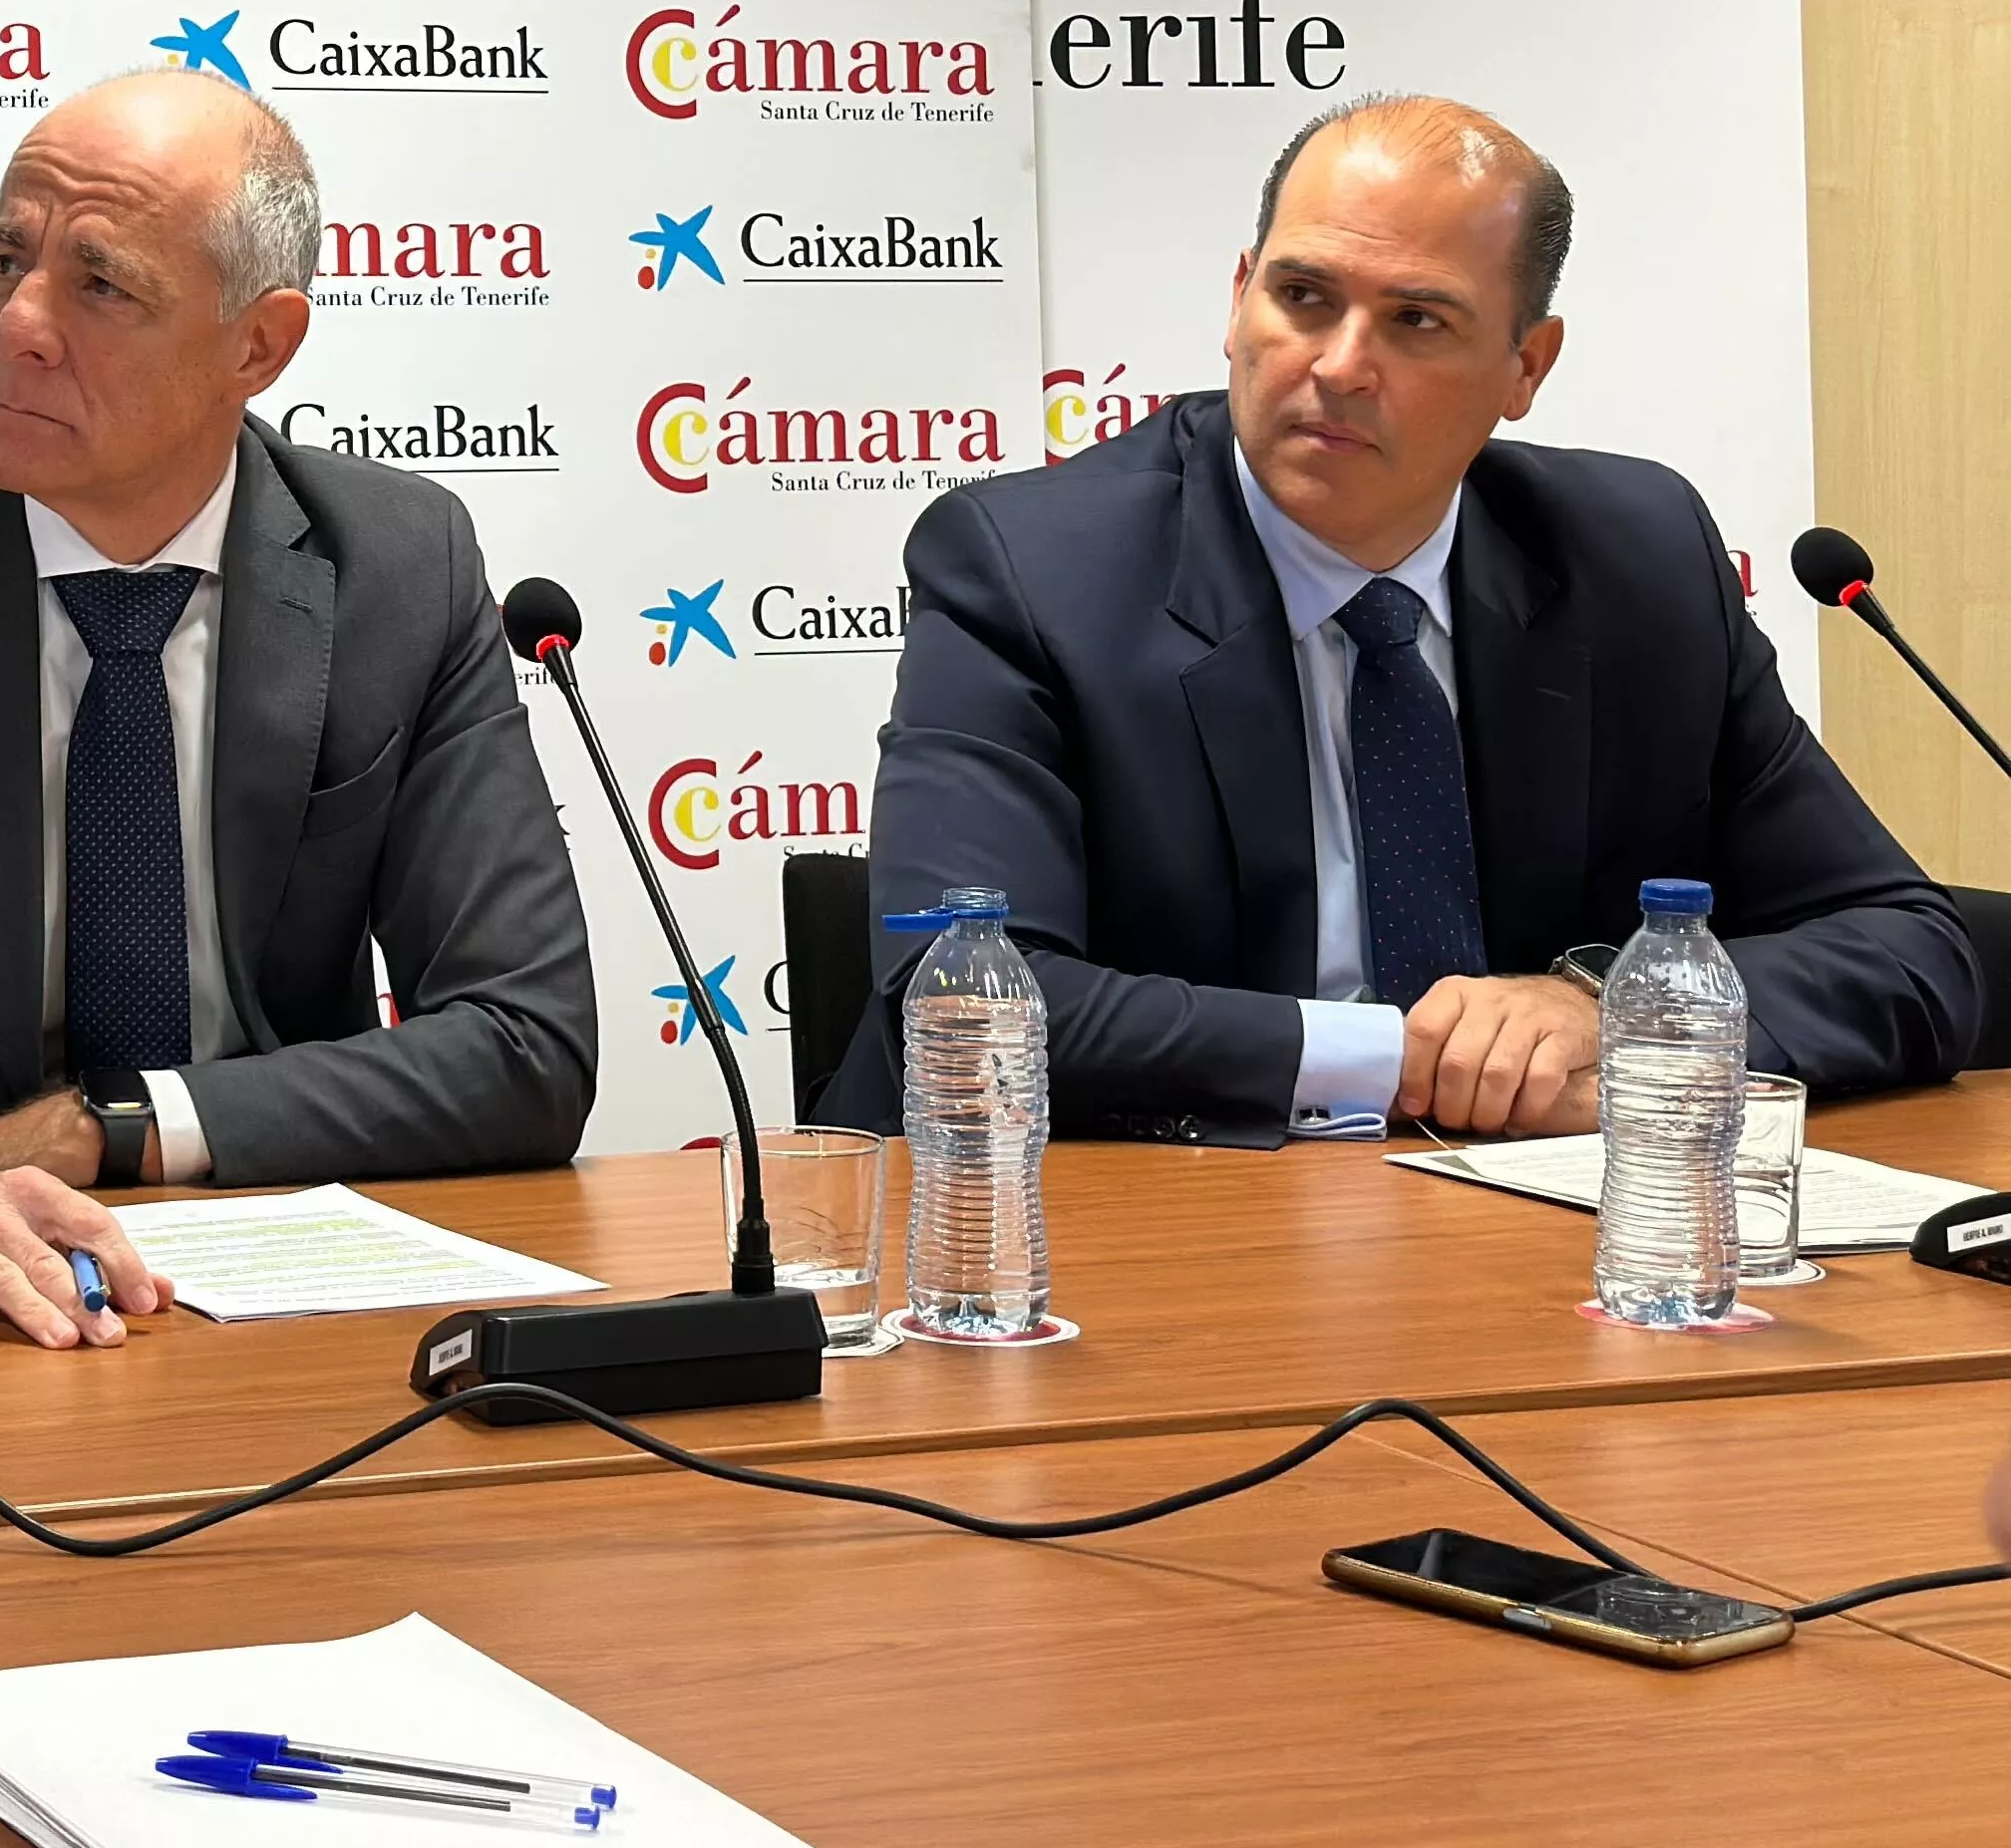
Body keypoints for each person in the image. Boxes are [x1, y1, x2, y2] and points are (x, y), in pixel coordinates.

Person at [0, 69, 598, 1351]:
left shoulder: (399, 569)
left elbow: (525, 1041)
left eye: (101, 285)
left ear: (258, 345)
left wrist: (113, 1127)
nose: (18, 324)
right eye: (5, 261)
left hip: (284, 1289)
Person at [834, 93, 1976, 1147]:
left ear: (1526, 366)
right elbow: (965, 1000)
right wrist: (1409, 1062)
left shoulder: (1639, 559)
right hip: (1127, 1223)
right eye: (1302, 297)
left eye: (1417, 319)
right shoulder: (1032, 570)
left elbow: (1909, 947)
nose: (1338, 366)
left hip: (1519, 1221)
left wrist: (1607, 1013)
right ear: (1238, 299)